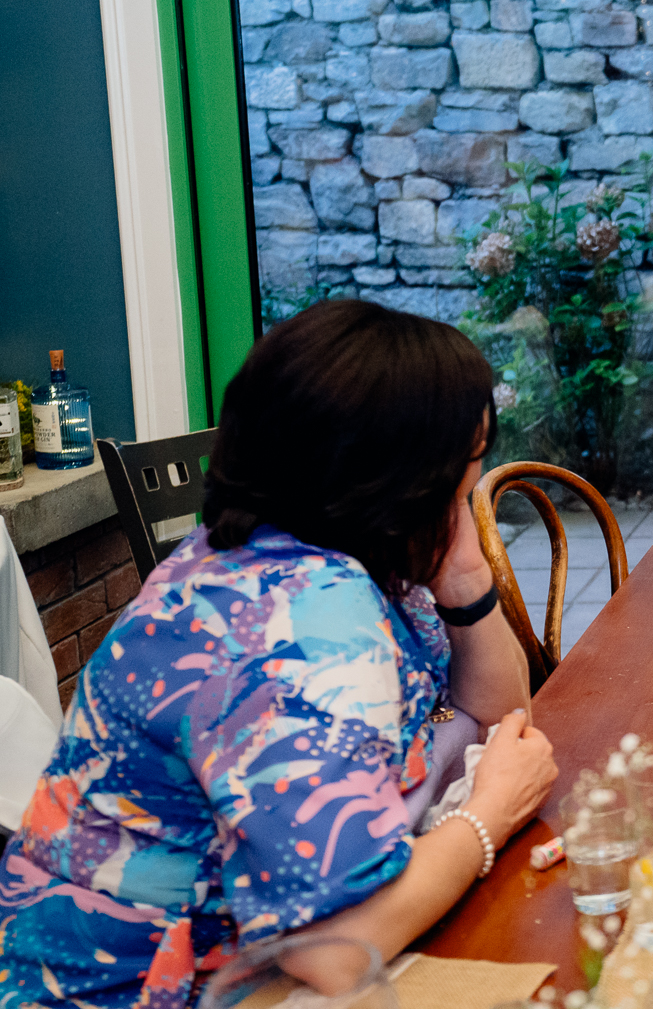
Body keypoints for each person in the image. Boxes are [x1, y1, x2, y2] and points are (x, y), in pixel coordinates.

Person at [0, 301, 559, 1007]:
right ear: (404, 474)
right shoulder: (298, 626)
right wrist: (489, 814)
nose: (471, 484)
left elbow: (501, 718)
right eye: (468, 462)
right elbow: (334, 953)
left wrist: (469, 584)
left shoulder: (318, 550)